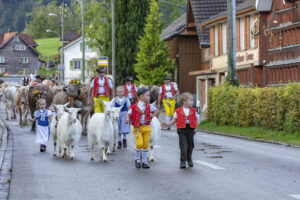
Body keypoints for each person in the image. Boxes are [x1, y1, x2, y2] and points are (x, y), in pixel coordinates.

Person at [161, 92, 198, 169]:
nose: (192, 102)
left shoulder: (194, 110)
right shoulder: (178, 111)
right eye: (191, 100)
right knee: (183, 146)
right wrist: (168, 124)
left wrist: (195, 128)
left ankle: (189, 159)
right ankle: (183, 161)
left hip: (190, 129)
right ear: (184, 102)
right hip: (181, 129)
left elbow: (196, 119)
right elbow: (174, 120)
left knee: (191, 146)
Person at [126, 88, 160, 169]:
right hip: (138, 128)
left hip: (147, 127)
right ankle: (137, 159)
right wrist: (127, 118)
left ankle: (144, 161)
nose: (149, 97)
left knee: (145, 145)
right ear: (141, 96)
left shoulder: (149, 106)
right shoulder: (134, 106)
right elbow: (128, 113)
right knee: (139, 144)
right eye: (148, 95)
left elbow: (157, 110)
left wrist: (153, 115)